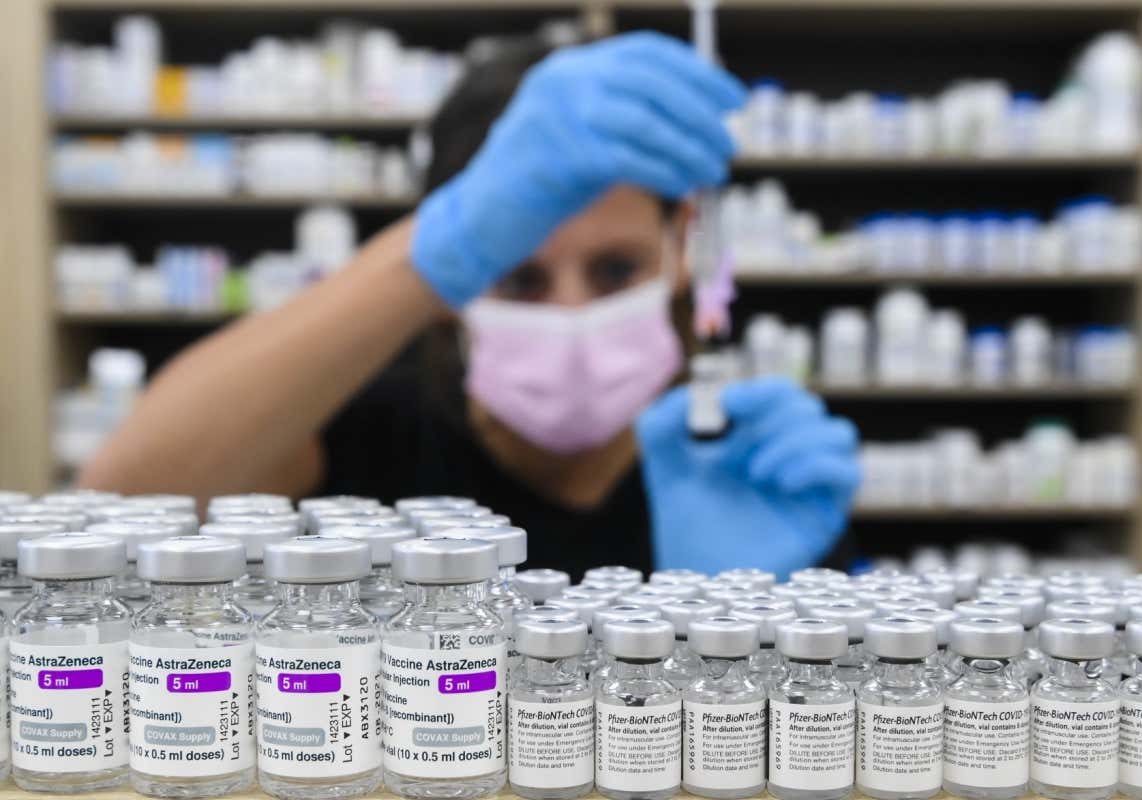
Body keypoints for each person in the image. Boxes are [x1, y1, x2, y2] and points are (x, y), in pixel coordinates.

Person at [79, 32, 860, 580]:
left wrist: (745, 622)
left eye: (616, 269)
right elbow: (116, 508)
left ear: (683, 244)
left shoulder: (748, 474)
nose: (571, 316)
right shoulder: (366, 437)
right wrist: (435, 250)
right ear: (452, 274)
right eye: (518, 277)